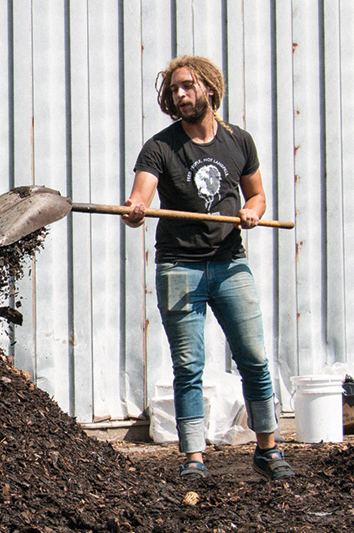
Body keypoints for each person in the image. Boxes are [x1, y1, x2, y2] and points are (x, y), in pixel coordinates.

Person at [121, 56, 293, 481]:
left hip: (230, 263)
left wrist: (252, 212)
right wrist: (135, 210)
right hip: (180, 266)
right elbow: (138, 197)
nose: (181, 95)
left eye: (188, 87)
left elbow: (257, 197)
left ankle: (268, 449)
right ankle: (194, 457)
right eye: (175, 90)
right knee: (189, 365)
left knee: (253, 357)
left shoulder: (239, 141)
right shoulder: (160, 147)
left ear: (210, 90)